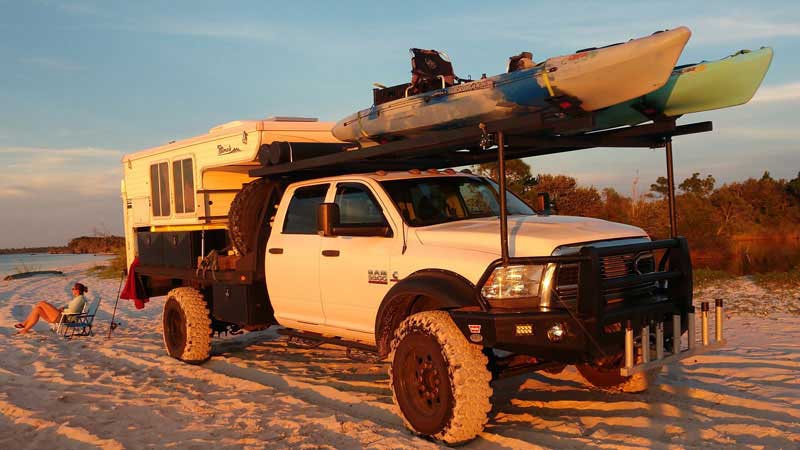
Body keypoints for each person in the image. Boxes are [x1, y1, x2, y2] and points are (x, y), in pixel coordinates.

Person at [14, 282, 88, 334]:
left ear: (77, 290)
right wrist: (63, 308)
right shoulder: (78, 298)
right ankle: (25, 329)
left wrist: (63, 310)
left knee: (41, 303)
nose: (72, 290)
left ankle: (24, 323)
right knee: (37, 309)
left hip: (63, 318)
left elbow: (73, 310)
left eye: (73, 289)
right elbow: (71, 308)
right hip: (62, 316)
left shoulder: (80, 299)